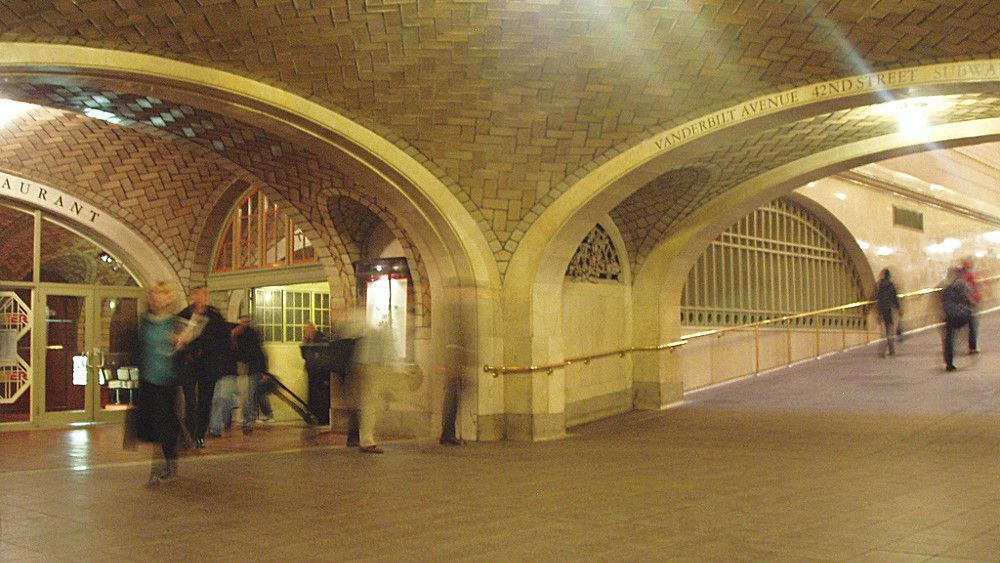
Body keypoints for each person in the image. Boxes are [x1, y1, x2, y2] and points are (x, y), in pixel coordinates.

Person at [136, 282, 183, 486]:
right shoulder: (144, 321)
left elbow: (186, 351)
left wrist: (179, 344)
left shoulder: (174, 322)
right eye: (153, 294)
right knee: (154, 427)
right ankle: (163, 465)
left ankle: (165, 464)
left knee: (164, 426)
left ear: (169, 298)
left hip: (167, 381)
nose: (156, 298)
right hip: (148, 381)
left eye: (161, 294)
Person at [177, 286, 235, 448]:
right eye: (199, 294)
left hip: (208, 364)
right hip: (189, 363)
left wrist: (220, 361)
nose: (202, 297)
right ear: (192, 297)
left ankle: (200, 434)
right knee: (190, 400)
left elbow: (224, 340)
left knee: (205, 400)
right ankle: (189, 433)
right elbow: (177, 336)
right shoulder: (184, 315)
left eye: (205, 294)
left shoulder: (214, 316)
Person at [232, 315, 268, 433]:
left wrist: (263, 370)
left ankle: (248, 422)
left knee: (248, 397)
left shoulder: (250, 334)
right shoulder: (240, 334)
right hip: (245, 369)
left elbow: (258, 352)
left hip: (250, 369)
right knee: (246, 397)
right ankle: (247, 421)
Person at [940, 266, 973, 372]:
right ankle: (969, 345)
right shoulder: (962, 284)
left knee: (948, 339)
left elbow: (942, 301)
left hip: (949, 315)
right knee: (966, 330)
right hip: (960, 314)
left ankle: (948, 362)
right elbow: (967, 296)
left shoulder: (945, 286)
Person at [872, 268, 901, 357]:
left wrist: (878, 311)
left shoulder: (880, 285)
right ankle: (890, 349)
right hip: (889, 309)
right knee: (889, 328)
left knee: (885, 329)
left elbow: (877, 297)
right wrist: (898, 308)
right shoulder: (891, 285)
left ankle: (885, 349)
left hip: (882, 309)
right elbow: (894, 298)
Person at [958, 258, 982, 354]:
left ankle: (970, 346)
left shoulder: (960, 277)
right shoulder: (968, 276)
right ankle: (972, 346)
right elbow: (971, 289)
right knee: (972, 325)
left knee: (969, 326)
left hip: (963, 303)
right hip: (969, 303)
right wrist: (974, 299)